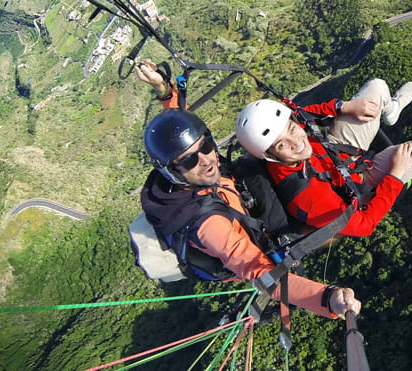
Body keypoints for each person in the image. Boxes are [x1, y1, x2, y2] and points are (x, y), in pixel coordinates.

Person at [137, 72, 360, 320]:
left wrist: (164, 91)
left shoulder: (199, 170)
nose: (206, 160)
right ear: (173, 172)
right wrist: (327, 298)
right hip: (254, 238)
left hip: (243, 204)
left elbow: (180, 126)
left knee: (256, 162)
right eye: (189, 160)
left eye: (207, 146)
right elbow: (258, 271)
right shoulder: (210, 227)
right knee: (326, 231)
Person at [234, 79, 412, 237]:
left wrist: (343, 107)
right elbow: (364, 225)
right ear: (269, 156)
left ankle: (391, 111)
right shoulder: (308, 198)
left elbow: (304, 115)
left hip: (337, 152)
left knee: (377, 88)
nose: (297, 142)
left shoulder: (290, 133)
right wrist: (396, 176)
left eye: (292, 129)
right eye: (282, 145)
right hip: (357, 182)